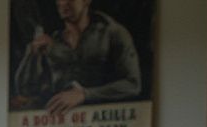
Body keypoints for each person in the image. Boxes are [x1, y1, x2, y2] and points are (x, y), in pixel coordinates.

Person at [12, 0, 141, 115]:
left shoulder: (112, 32)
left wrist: (85, 94)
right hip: (58, 125)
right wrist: (32, 55)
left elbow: (132, 84)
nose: (64, 3)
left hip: (102, 120)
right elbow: (26, 90)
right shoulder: (53, 40)